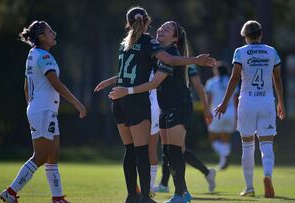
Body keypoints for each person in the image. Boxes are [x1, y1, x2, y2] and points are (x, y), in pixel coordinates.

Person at [100, 6, 215, 203]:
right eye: (160, 27)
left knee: (174, 152)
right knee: (168, 152)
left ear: (175, 38)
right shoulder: (154, 49)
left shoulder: (166, 51)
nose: (161, 29)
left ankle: (179, 194)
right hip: (162, 106)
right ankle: (174, 193)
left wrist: (196, 60)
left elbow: (154, 81)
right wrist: (114, 81)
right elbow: (140, 72)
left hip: (179, 105)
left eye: (167, 29)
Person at [0, 21, 87, 203]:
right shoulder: (44, 56)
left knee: (53, 154)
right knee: (40, 156)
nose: (54, 33)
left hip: (42, 110)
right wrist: (77, 103)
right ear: (41, 37)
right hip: (43, 111)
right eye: (50, 31)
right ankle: (10, 192)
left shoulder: (33, 54)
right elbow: (56, 84)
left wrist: (31, 109)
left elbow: (26, 87)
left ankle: (57, 198)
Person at [214, 20, 285, 198]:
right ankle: (267, 175)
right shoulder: (271, 52)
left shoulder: (240, 52)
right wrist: (281, 102)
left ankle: (249, 187)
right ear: (261, 34)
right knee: (267, 144)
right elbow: (277, 79)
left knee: (247, 146)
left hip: (247, 102)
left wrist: (224, 103)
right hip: (267, 102)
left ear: (245, 36)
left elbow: (234, 78)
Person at [153, 65, 217, 194]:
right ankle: (207, 173)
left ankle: (168, 185)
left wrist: (206, 108)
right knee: (174, 149)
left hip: (180, 107)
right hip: (166, 107)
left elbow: (198, 86)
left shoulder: (187, 64)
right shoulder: (163, 59)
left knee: (173, 149)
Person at [205, 61, 238, 170]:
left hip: (216, 112)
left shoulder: (211, 82)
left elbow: (208, 100)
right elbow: (236, 100)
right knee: (225, 139)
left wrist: (206, 113)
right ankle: (223, 162)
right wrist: (237, 115)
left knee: (213, 139)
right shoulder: (232, 81)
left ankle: (225, 154)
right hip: (231, 112)